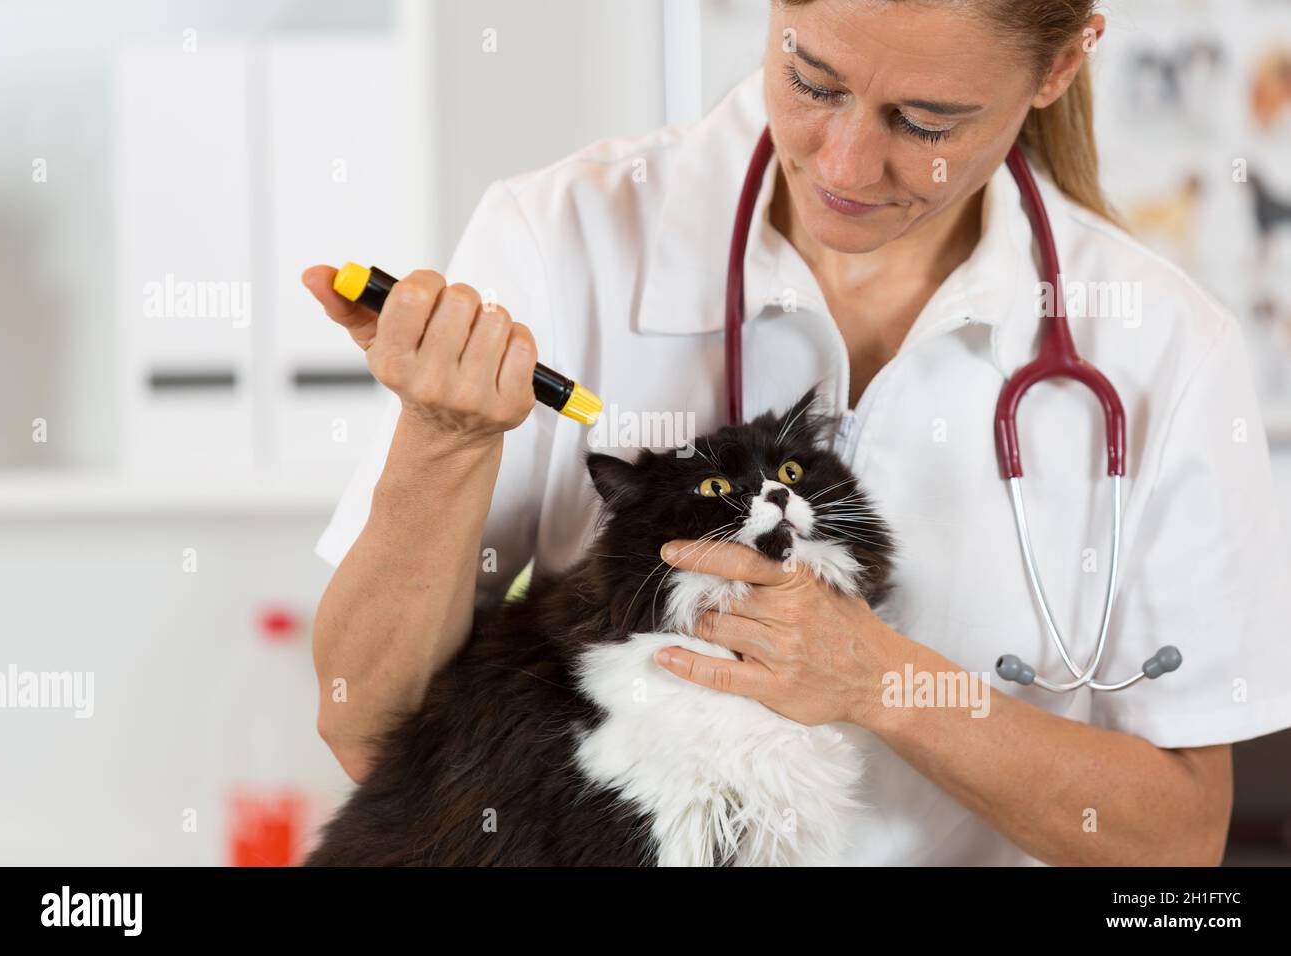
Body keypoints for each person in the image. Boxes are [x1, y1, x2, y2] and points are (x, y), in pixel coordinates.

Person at [300, 0, 1291, 865]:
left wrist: (879, 679)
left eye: (925, 119)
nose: (847, 164)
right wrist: (443, 436)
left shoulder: (1164, 345)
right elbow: (362, 722)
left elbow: (1177, 837)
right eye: (810, 81)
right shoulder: (564, 237)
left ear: (1060, 66)